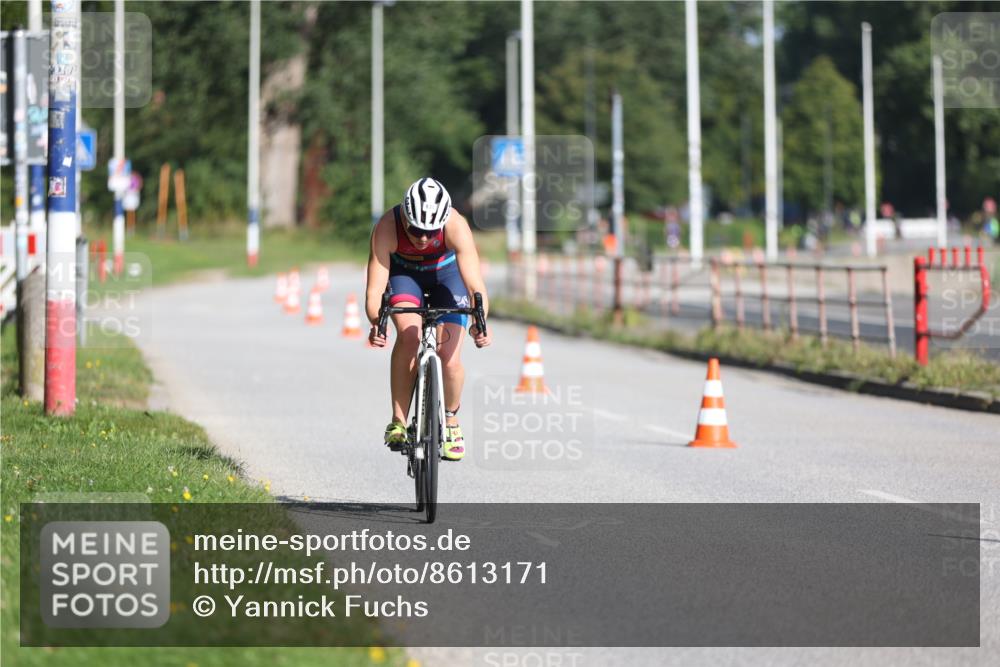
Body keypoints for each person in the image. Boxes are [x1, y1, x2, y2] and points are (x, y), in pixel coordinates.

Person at [365, 178, 491, 461]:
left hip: (448, 277)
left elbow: (475, 285)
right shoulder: (387, 226)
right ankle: (398, 421)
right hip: (404, 276)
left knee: (450, 358)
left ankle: (451, 422)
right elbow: (374, 289)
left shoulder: (456, 225)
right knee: (409, 337)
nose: (423, 238)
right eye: (416, 229)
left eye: (430, 231)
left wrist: (480, 323)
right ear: (406, 219)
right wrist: (377, 322)